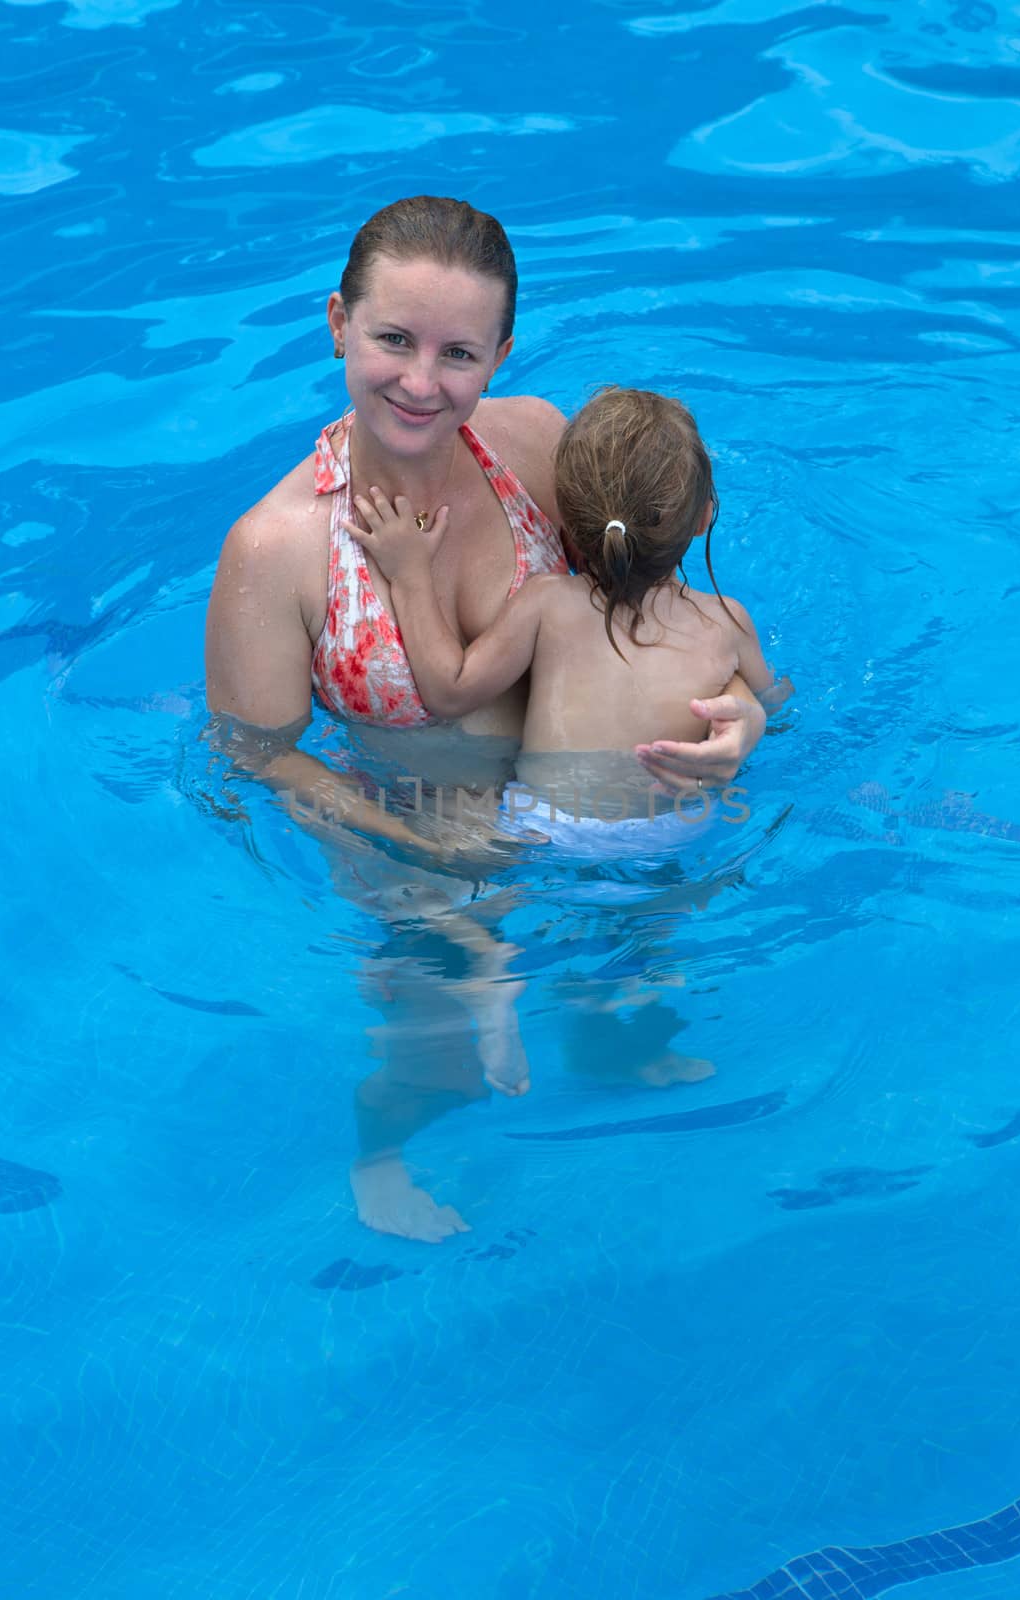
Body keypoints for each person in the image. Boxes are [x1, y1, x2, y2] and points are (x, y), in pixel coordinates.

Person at [205, 197, 769, 1240]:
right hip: (410, 822)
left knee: (638, 967)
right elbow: (254, 756)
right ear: (335, 323)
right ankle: (382, 1157)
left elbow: (654, 614)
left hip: (584, 798)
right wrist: (410, 840)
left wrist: (732, 719)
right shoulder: (276, 551)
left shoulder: (537, 444)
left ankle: (610, 1048)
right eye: (390, 339)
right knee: (435, 1044)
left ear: (499, 353)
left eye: (457, 352)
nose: (422, 382)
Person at [343, 384, 778, 825]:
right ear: (704, 518)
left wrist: (410, 575)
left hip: (547, 823)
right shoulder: (728, 620)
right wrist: (752, 714)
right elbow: (775, 706)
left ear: (564, 517)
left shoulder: (548, 602)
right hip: (673, 824)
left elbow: (449, 691)